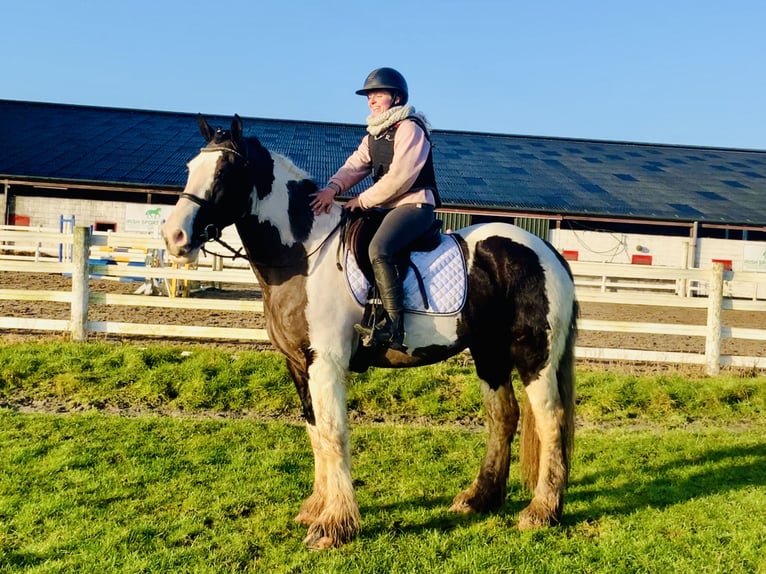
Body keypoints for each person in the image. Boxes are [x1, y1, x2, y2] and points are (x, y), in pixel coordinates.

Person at [311, 67, 440, 351]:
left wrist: (363, 200)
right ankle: (367, 311)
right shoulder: (375, 134)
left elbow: (401, 176)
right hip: (388, 208)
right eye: (369, 95)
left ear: (396, 97)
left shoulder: (410, 127)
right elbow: (355, 164)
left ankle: (394, 326)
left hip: (414, 205)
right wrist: (332, 189)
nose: (371, 100)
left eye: (378, 93)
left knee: (379, 249)